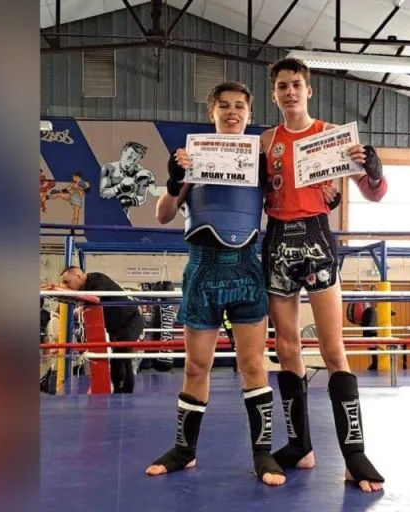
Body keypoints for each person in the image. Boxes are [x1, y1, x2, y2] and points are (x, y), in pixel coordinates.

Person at [144, 81, 339, 486]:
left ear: (249, 115)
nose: (232, 112)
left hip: (247, 267)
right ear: (211, 112)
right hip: (203, 268)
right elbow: (163, 214)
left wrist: (330, 191)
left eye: (239, 107)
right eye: (224, 106)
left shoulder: (263, 161)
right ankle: (184, 450)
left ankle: (263, 453)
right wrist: (174, 180)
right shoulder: (191, 156)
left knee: (253, 364)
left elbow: (298, 192)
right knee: (196, 365)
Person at [260, 57, 388, 493]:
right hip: (277, 241)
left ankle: (354, 455)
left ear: (308, 90)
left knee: (334, 349)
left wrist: (373, 168)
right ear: (274, 94)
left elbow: (373, 193)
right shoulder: (266, 142)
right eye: (282, 86)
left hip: (317, 239)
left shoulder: (331, 136)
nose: (290, 92)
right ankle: (300, 446)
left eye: (296, 84)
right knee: (287, 347)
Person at [59, 266, 145, 393]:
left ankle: (118, 392)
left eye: (68, 282)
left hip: (131, 320)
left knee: (118, 359)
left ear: (78, 276)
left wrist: (76, 302)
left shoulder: (97, 280)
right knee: (125, 360)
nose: (67, 286)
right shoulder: (87, 286)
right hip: (117, 325)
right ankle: (125, 394)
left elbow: (94, 300)